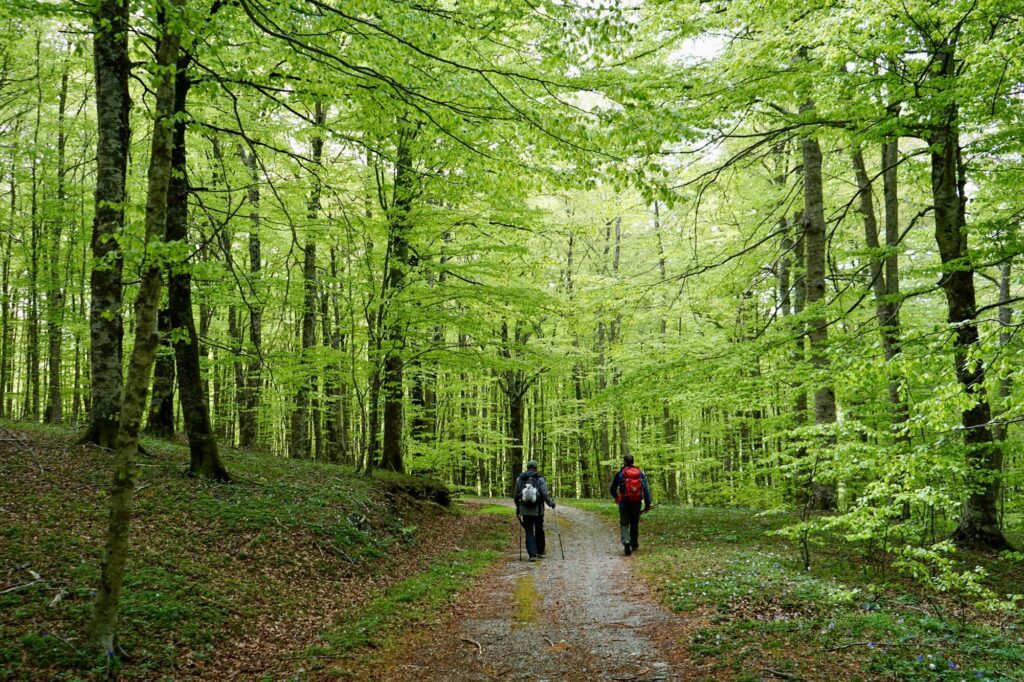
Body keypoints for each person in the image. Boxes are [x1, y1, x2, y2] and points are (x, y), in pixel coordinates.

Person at [513, 459, 556, 561]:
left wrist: (518, 507)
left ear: (527, 467)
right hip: (538, 510)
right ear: (536, 468)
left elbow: (515, 495)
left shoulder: (520, 478)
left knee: (529, 531)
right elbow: (545, 494)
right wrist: (551, 503)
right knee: (539, 529)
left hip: (525, 510)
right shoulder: (540, 478)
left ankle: (532, 554)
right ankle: (540, 552)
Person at [609, 454, 651, 556]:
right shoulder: (640, 474)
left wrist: (616, 497)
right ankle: (634, 545)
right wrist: (647, 504)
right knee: (634, 524)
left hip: (624, 503)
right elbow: (645, 490)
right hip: (636, 503)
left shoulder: (620, 474)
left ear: (624, 462)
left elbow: (612, 489)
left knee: (624, 524)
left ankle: (626, 541)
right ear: (633, 461)